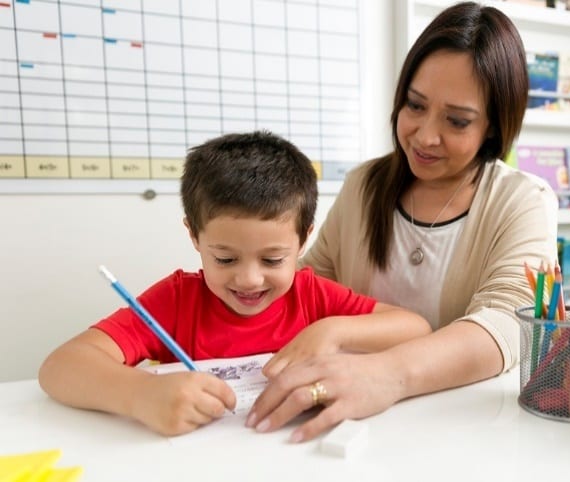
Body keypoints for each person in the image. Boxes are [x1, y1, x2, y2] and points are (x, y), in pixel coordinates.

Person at [245, 2, 558, 443]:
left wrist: (386, 375)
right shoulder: (364, 185)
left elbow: (509, 325)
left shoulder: (522, 200)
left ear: (492, 127)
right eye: (414, 105)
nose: (425, 135)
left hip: (462, 433)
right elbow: (309, 284)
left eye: (456, 120)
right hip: (347, 428)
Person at [38, 131, 431, 436]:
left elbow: (415, 328)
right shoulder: (176, 301)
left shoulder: (310, 297)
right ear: (194, 236)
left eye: (273, 259)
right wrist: (141, 395)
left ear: (304, 238)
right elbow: (59, 368)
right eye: (225, 259)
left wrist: (334, 330)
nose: (249, 279)